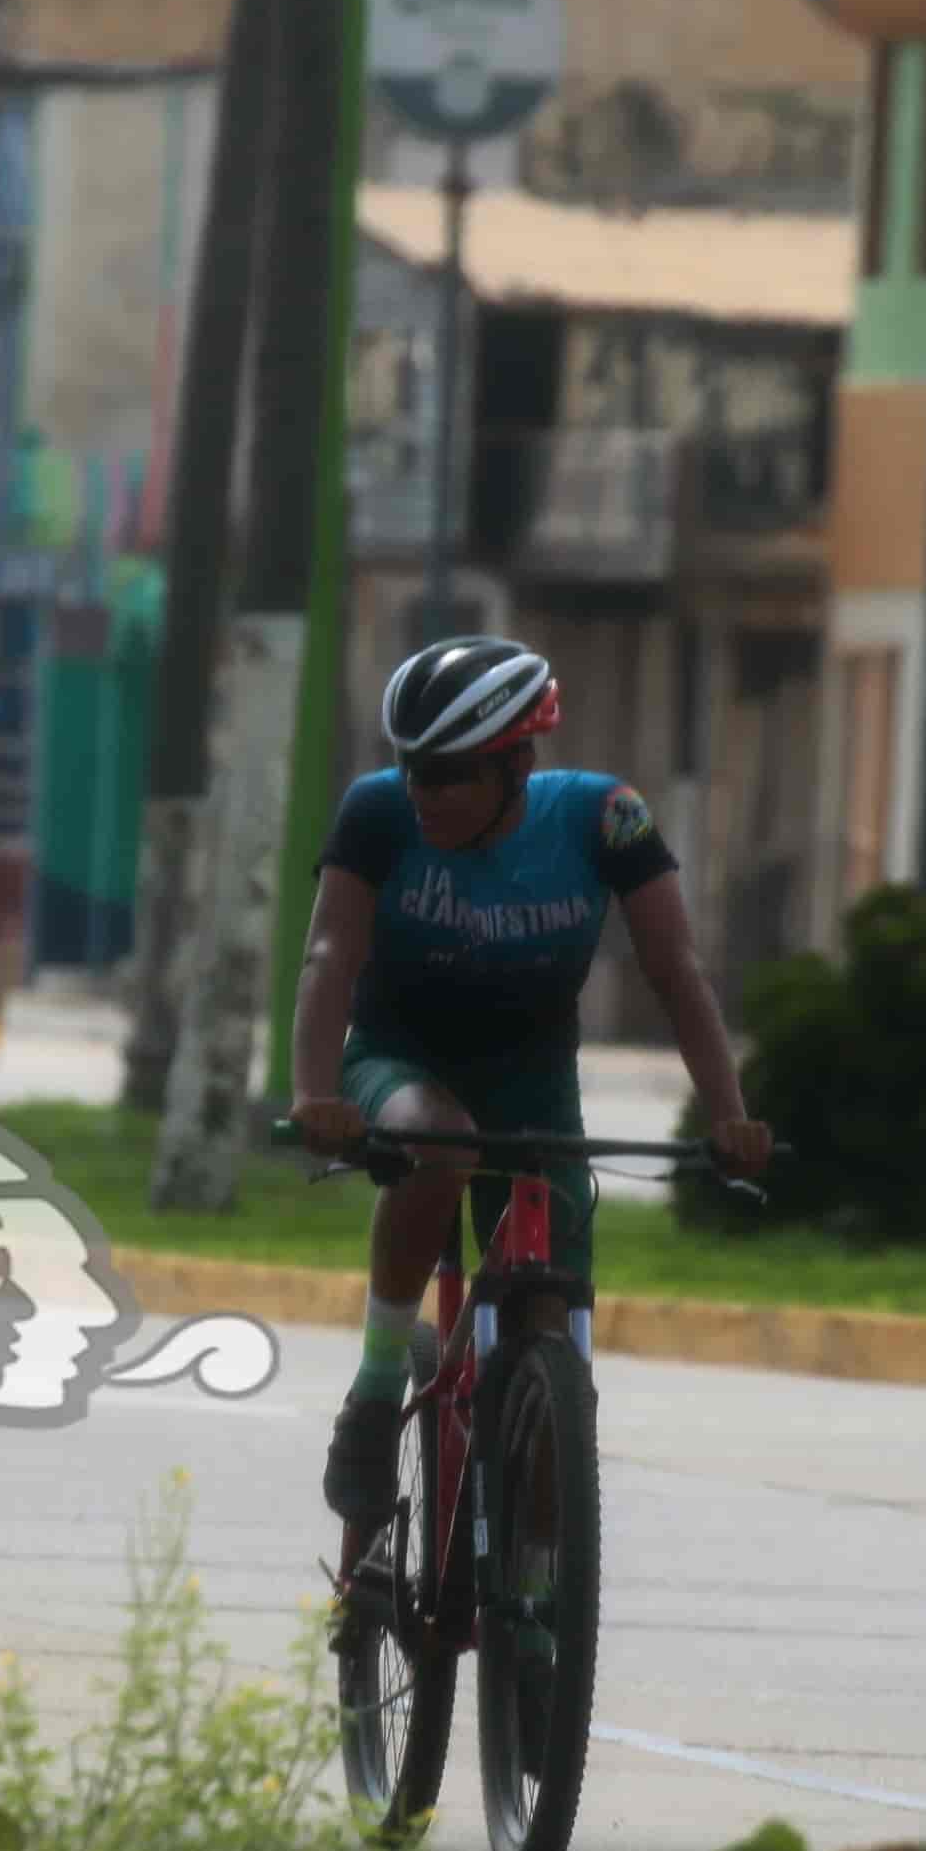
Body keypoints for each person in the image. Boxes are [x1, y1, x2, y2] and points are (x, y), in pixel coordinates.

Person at [286, 634, 771, 1558]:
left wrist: (729, 1113)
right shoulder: (377, 815)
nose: (424, 793)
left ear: (517, 763)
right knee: (441, 1140)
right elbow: (329, 958)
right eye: (413, 769)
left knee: (553, 1346)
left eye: (451, 775)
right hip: (397, 1064)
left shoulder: (605, 819)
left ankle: (535, 1596)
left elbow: (676, 971)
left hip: (533, 1082)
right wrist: (317, 1095)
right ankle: (378, 1391)